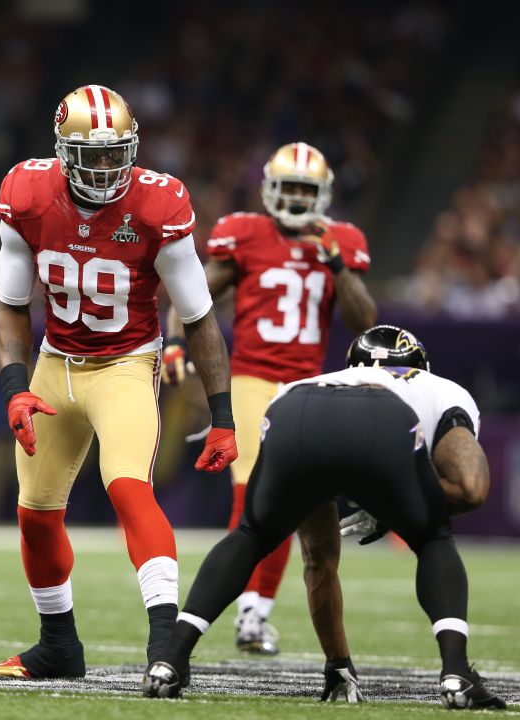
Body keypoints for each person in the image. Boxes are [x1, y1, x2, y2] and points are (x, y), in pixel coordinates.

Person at [0, 84, 239, 680]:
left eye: (113, 153)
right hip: (55, 362)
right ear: (62, 152)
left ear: (132, 148)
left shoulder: (158, 203)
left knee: (128, 487)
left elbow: (200, 316)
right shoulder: (25, 192)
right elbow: (11, 305)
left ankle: (164, 648)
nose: (103, 168)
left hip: (126, 363)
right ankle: (58, 647)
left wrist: (223, 415)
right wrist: (15, 387)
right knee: (35, 513)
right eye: (90, 155)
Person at [142, 325, 506, 710]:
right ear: (420, 365)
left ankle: (172, 658)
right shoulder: (441, 389)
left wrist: (338, 662)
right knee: (433, 538)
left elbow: (320, 560)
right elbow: (470, 488)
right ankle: (456, 671)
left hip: (295, 406)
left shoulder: (323, 378)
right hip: (383, 418)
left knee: (253, 534)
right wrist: (398, 508)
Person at [162, 141, 376, 654]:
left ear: (322, 193)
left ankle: (254, 615)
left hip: (306, 387)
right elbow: (194, 294)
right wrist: (173, 342)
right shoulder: (246, 233)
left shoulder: (341, 240)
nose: (299, 198)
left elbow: (365, 322)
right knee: (251, 490)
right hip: (252, 380)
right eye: (291, 188)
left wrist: (337, 266)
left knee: (296, 498)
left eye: (307, 189)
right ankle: (244, 613)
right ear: (270, 189)